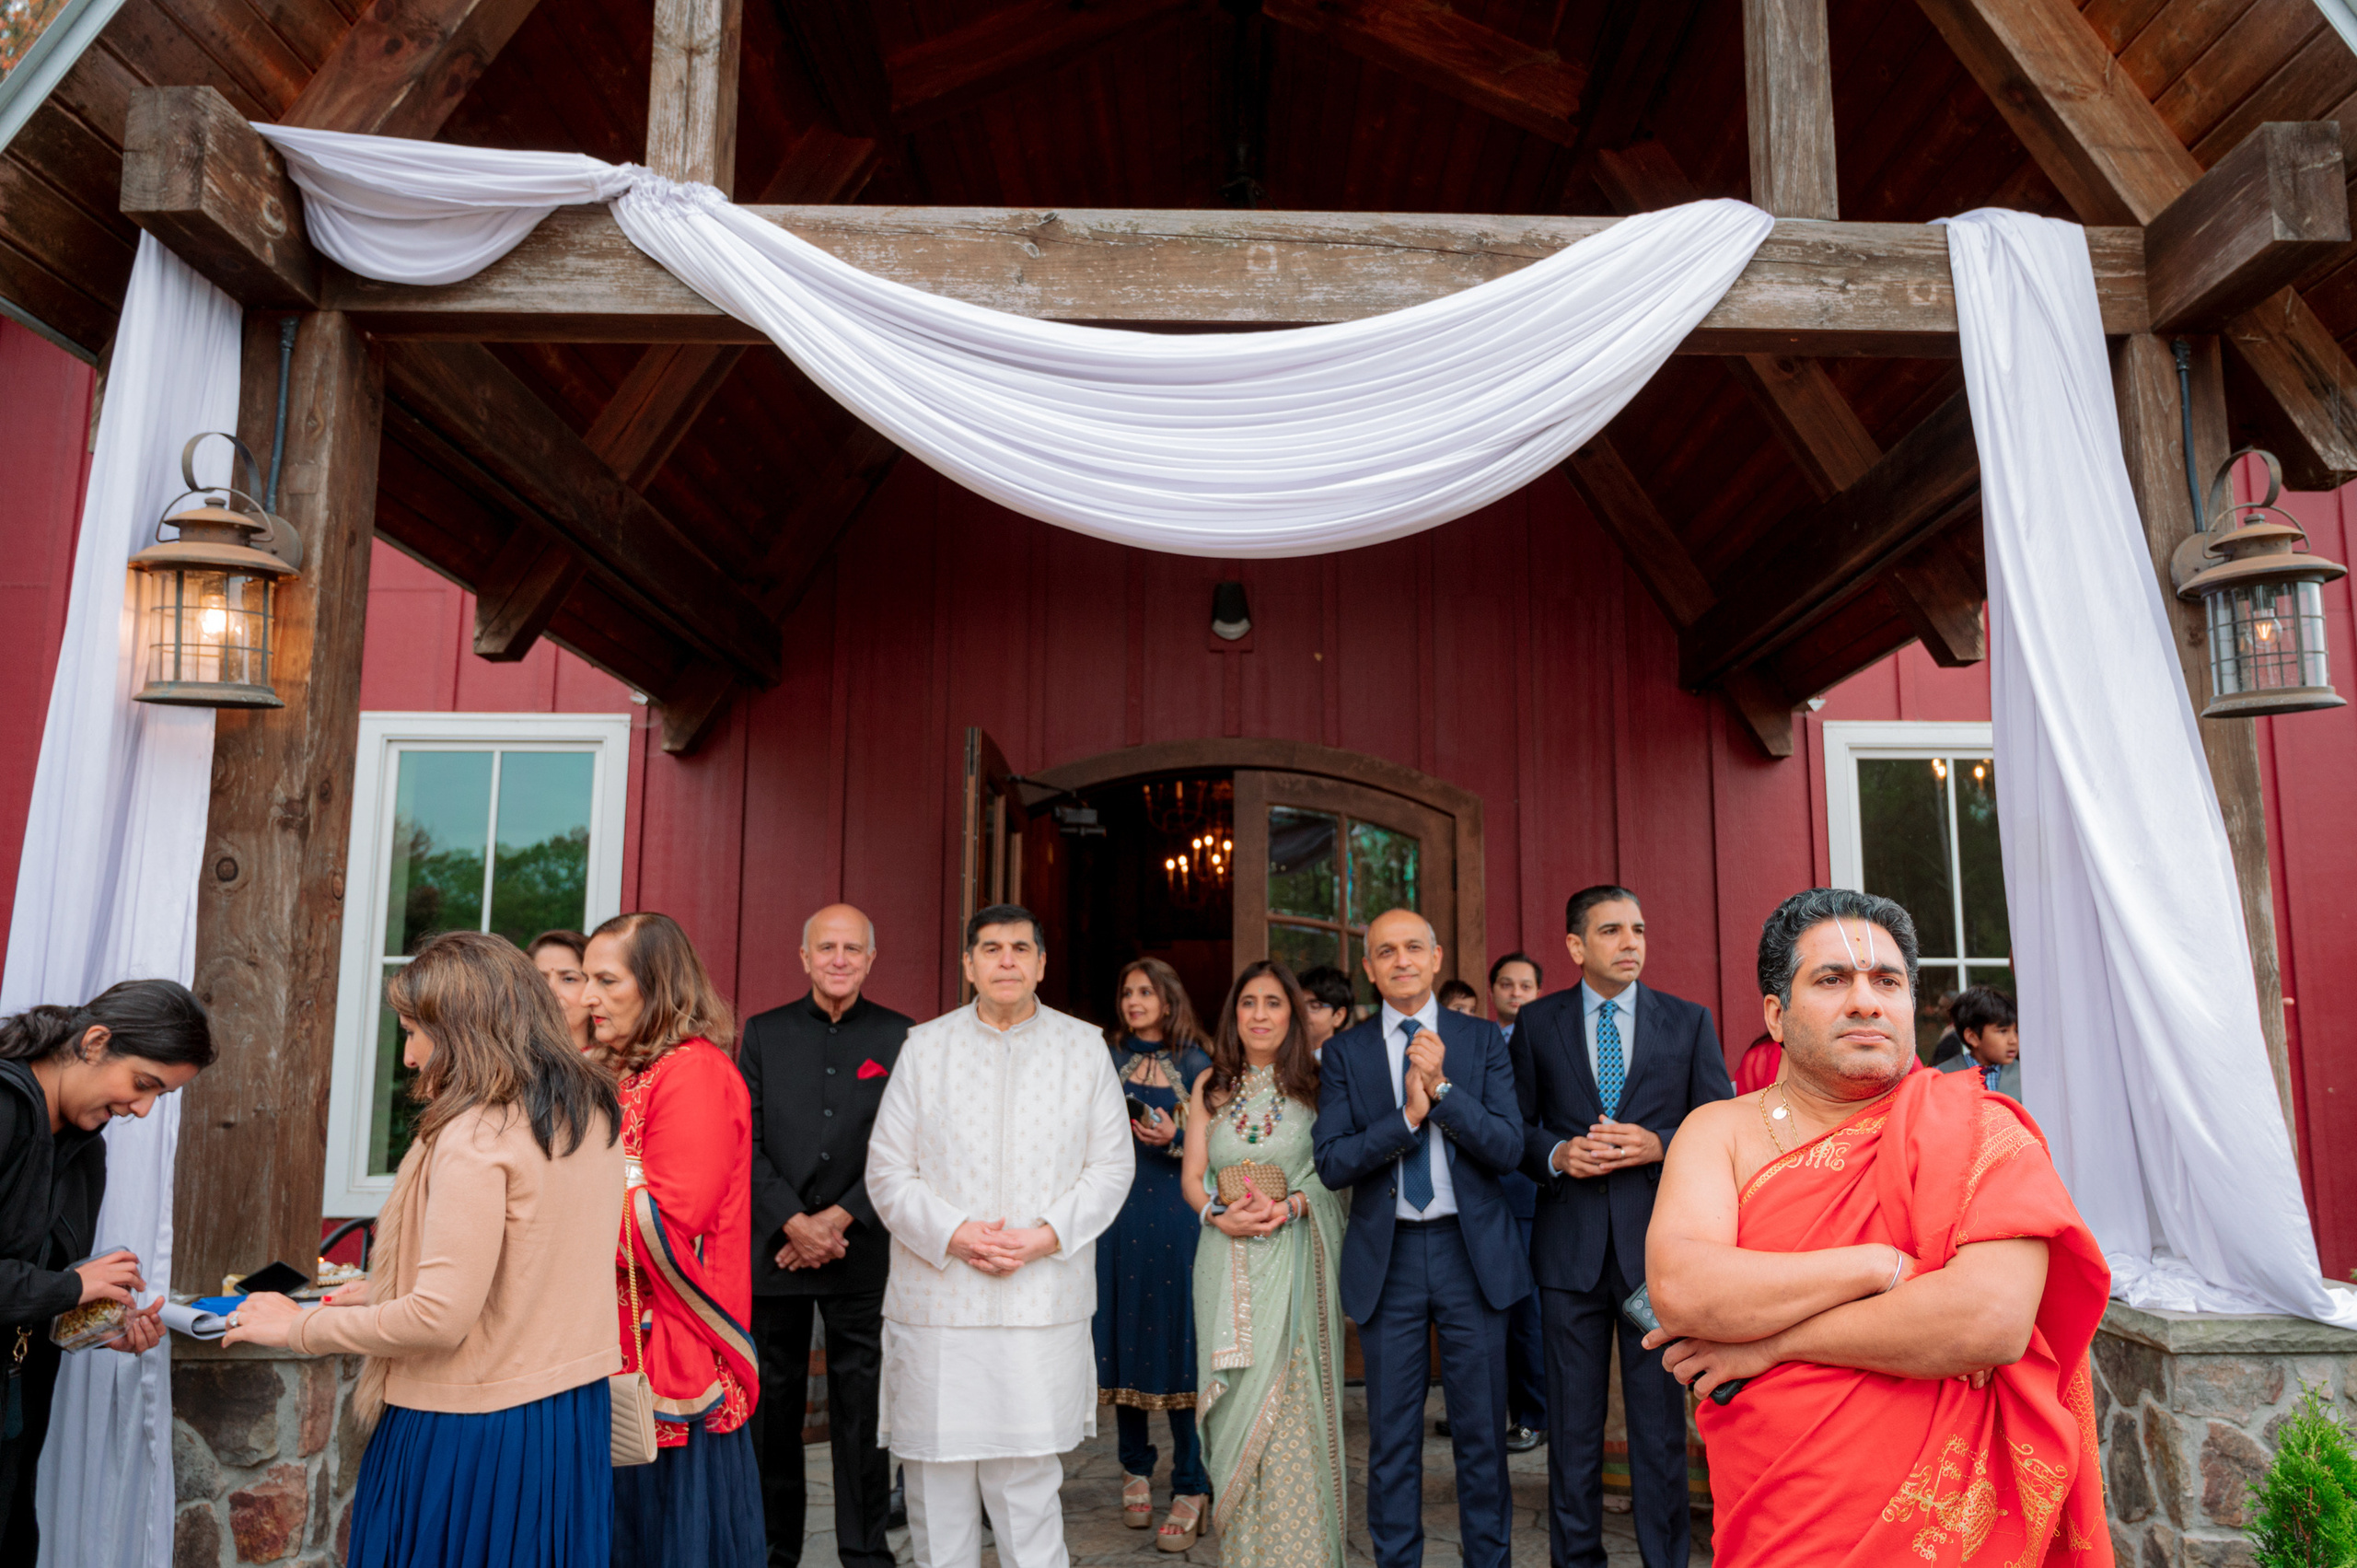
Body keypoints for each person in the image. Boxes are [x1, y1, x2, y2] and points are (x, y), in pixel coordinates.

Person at [1641, 889, 2109, 1565]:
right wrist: (1877, 1267)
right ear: (1776, 1014)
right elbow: (1685, 1287)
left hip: (1947, 1528)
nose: (1865, 1000)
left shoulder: (1983, 1129)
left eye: (1886, 981)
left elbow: (1988, 1320)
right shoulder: (1720, 1131)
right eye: (1832, 979)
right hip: (1782, 1517)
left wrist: (1770, 1344)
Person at [227, 932, 623, 1567]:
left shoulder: (475, 1132)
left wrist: (300, 1324)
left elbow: (440, 1319)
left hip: (471, 1421)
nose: (409, 1056)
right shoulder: (591, 1112)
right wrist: (389, 1285)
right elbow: (532, 1263)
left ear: (463, 1030)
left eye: (414, 1032)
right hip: (567, 1412)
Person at [864, 904, 1134, 1568]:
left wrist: (1045, 1236)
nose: (1006, 959)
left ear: (1042, 963)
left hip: (1038, 1299)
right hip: (939, 1303)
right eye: (990, 948)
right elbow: (887, 1169)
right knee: (938, 1482)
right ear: (969, 965)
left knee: (1027, 1485)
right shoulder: (925, 1047)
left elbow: (1111, 1166)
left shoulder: (1083, 1045)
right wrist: (955, 1233)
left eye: (1020, 947)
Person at [1507, 885, 1734, 1568]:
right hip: (1567, 1250)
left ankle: (1665, 1559)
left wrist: (1660, 1143)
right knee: (1571, 1427)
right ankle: (1576, 1560)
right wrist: (1557, 1152)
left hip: (1657, 1254)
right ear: (1577, 946)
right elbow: (1512, 1127)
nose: (1630, 941)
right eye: (1611, 930)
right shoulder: (1537, 1024)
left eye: (1637, 927)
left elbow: (1718, 1121)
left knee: (1659, 1428)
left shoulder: (1688, 1021)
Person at [1312, 909, 1530, 1568]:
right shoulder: (1345, 1052)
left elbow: (1509, 1146)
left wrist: (1443, 1091)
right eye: (1385, 950)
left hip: (1472, 1254)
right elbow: (1333, 1162)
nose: (1401, 959)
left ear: (1437, 957)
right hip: (1391, 1257)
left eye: (1414, 947)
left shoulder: (1481, 1037)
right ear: (1370, 969)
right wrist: (1409, 1115)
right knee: (1393, 1437)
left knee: (1481, 1436)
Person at [0, 981, 213, 1557]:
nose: (141, 1109)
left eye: (159, 1097)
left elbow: (37, 1287)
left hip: (18, 1409)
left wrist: (92, 1323)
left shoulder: (83, 1141)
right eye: (144, 1084)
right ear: (94, 1042)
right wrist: (73, 1285)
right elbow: (52, 1280)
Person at [585, 912, 762, 1567]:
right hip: (611, 1340)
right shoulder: (618, 1069)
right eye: (585, 979)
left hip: (670, 1348)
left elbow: (665, 1220)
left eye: (607, 980)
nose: (586, 998)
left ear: (657, 984)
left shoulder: (694, 1072)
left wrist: (551, 1223)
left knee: (666, 1538)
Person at [739, 904, 910, 1568]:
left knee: (860, 1409)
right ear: (804, 957)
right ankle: (774, 1549)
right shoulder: (762, 1032)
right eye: (826, 947)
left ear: (871, 959)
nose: (839, 958)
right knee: (772, 1407)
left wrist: (838, 1219)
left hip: (860, 1246)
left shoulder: (902, 1037)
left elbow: (910, 1144)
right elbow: (745, 1140)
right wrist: (793, 1221)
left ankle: (864, 1550)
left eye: (852, 948)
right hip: (776, 1247)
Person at [1182, 960, 1345, 1568]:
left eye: (1273, 1003)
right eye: (1247, 1002)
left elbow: (1338, 1179)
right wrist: (1216, 1216)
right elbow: (1193, 1178)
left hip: (1296, 1257)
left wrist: (1295, 1204)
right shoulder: (1210, 1087)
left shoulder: (1321, 1085)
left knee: (1293, 1407)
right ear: (1234, 1014)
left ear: (1292, 1014)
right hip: (1223, 1257)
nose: (1258, 1014)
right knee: (1234, 1409)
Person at [1096, 958, 1213, 1549]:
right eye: (1127, 990)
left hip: (1177, 1216)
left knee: (1179, 1342)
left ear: (1169, 1000)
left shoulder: (1199, 1064)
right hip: (1117, 1218)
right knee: (1126, 1339)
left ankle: (1192, 1481)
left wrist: (1175, 1139)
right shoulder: (1103, 1060)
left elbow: (1219, 1152)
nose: (1134, 1000)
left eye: (1146, 991)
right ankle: (1134, 1468)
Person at [1487, 951, 1548, 1455]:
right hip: (1483, 1197)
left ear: (1537, 992)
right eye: (1506, 985)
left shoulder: (1545, 1044)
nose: (1514, 993)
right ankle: (1494, 1413)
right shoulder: (1478, 1042)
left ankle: (1533, 1415)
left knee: (1528, 1313)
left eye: (1524, 986)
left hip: (1528, 1194)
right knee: (1490, 1311)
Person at [1938, 985, 2021, 1098]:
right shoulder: (1942, 1076)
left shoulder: (2025, 1077)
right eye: (2002, 1031)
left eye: (2016, 1031)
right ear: (1972, 1037)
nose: (2014, 1040)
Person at [528, 929, 597, 1056]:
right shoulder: (508, 1065)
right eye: (540, 979)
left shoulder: (618, 1070)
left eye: (568, 979)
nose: (551, 991)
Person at [1295, 965, 1354, 1057]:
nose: (1302, 1013)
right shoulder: (1281, 1058)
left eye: (1314, 1006)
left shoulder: (1347, 1063)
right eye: (1299, 1005)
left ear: (1338, 1016)